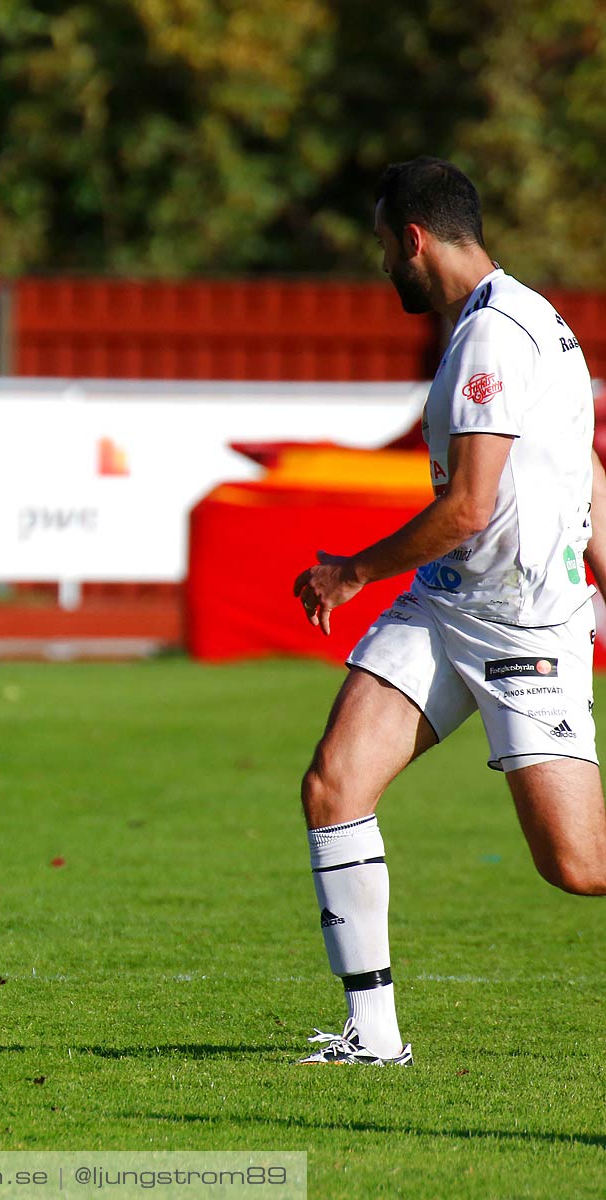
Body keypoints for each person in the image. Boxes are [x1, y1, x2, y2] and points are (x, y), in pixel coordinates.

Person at [292, 156, 606, 1065]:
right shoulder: (525, 317)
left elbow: (470, 505)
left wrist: (352, 572)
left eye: (384, 245)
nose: (381, 263)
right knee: (334, 787)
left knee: (578, 867)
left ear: (414, 238)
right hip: (446, 606)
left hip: (522, 626)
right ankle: (374, 1038)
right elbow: (583, 469)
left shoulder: (494, 337)